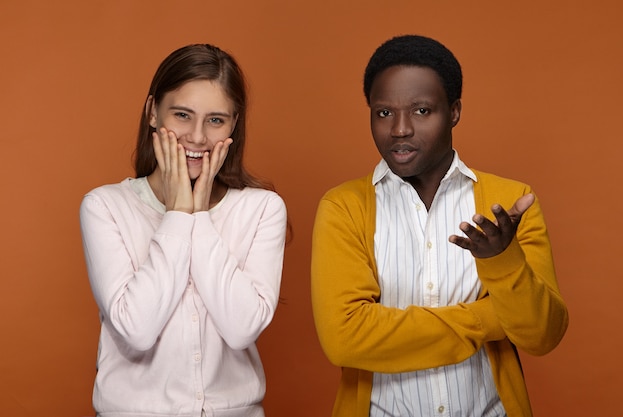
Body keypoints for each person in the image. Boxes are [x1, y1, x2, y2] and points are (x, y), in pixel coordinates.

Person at [311, 35, 568, 417]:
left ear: (454, 111)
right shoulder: (344, 208)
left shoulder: (508, 204)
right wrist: (487, 319)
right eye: (383, 113)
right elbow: (344, 338)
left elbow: (542, 335)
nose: (399, 129)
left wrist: (503, 260)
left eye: (421, 110)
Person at [79, 44, 287, 417]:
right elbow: (137, 329)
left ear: (234, 124)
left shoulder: (262, 209)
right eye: (182, 115)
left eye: (215, 120)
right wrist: (178, 213)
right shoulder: (104, 206)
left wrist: (199, 218)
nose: (196, 137)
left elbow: (241, 329)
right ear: (152, 112)